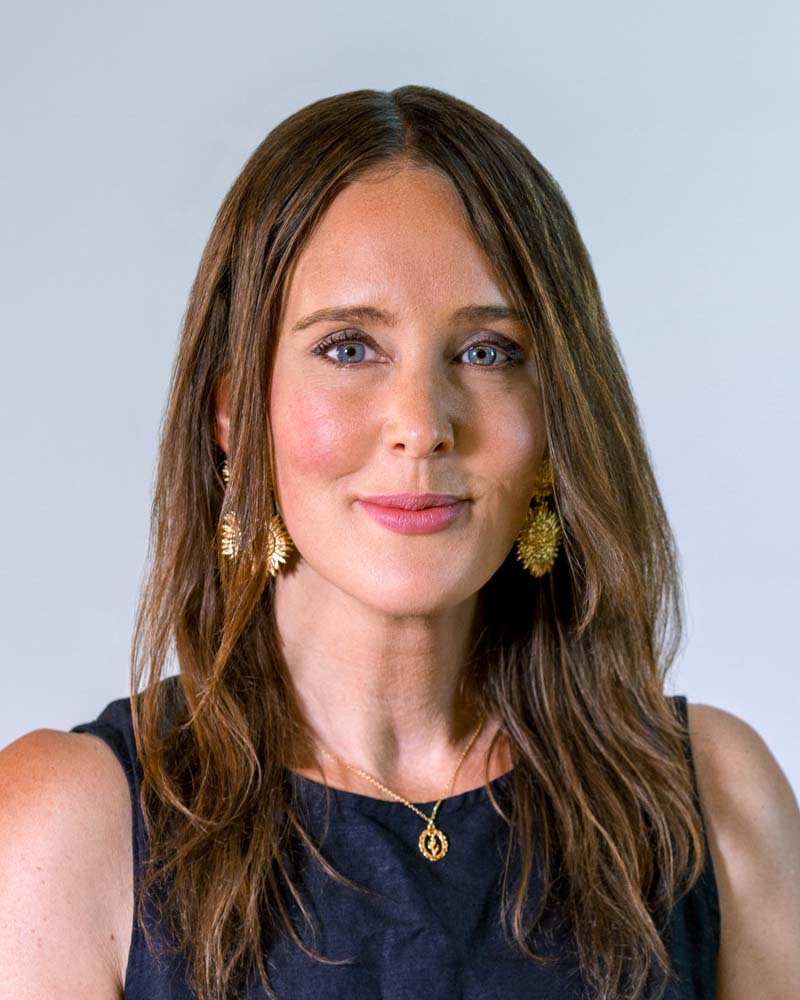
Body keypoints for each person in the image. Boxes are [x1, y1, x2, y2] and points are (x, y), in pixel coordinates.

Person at [1, 85, 798, 1000]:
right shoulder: (61, 830)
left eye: (489, 351)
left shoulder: (715, 804)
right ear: (231, 409)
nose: (422, 425)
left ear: (558, 417)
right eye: (348, 347)